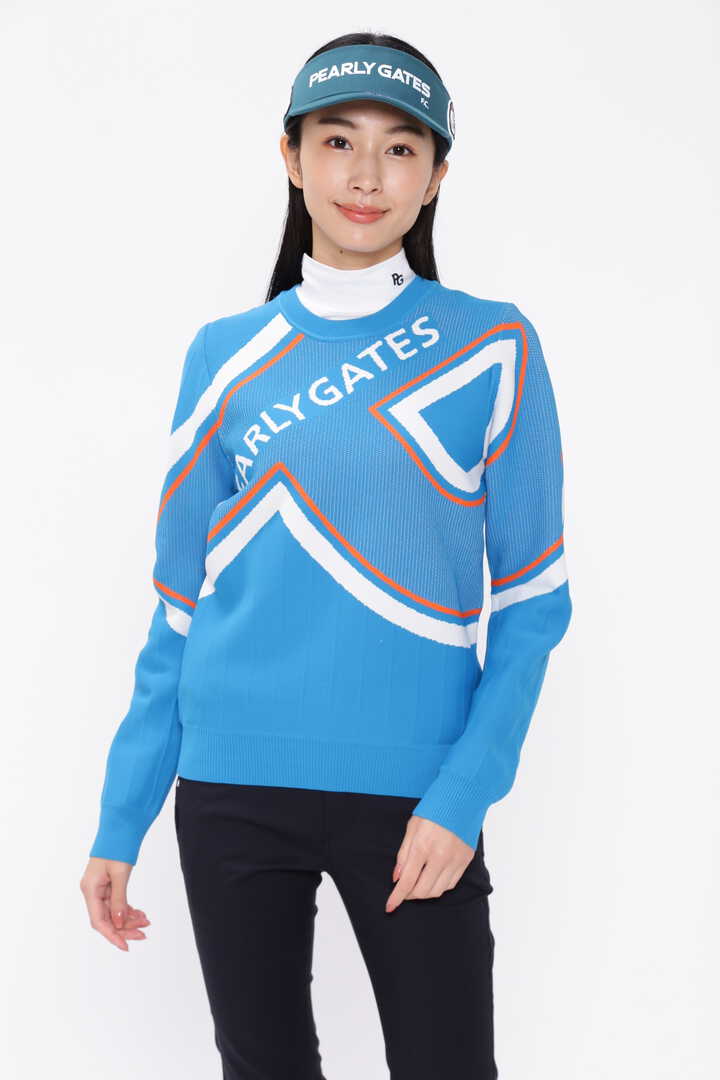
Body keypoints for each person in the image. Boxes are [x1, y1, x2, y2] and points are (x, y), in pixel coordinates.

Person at [80, 30, 572, 1080]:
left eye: (401, 149)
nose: (365, 174)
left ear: (436, 177)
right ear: (291, 157)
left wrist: (462, 796)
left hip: (417, 797)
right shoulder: (224, 356)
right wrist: (122, 818)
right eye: (338, 140)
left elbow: (535, 604)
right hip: (231, 788)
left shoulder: (495, 346)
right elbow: (178, 608)